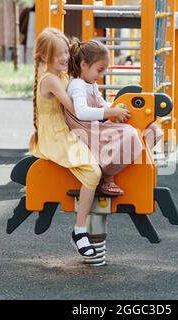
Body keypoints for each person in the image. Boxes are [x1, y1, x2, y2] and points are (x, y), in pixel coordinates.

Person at [29, 28, 101, 258]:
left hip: (66, 129)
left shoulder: (59, 74)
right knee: (92, 172)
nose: (64, 58)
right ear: (43, 57)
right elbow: (74, 108)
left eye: (66, 53)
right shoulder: (50, 80)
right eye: (57, 54)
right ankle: (79, 231)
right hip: (56, 136)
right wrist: (105, 111)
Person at [66, 38, 164, 195]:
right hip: (86, 130)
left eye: (104, 70)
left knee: (152, 130)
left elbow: (100, 102)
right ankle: (106, 176)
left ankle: (129, 165)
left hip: (97, 125)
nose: (102, 74)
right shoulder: (77, 85)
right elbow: (81, 112)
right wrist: (110, 112)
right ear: (84, 65)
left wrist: (115, 108)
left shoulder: (90, 83)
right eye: (99, 70)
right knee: (130, 134)